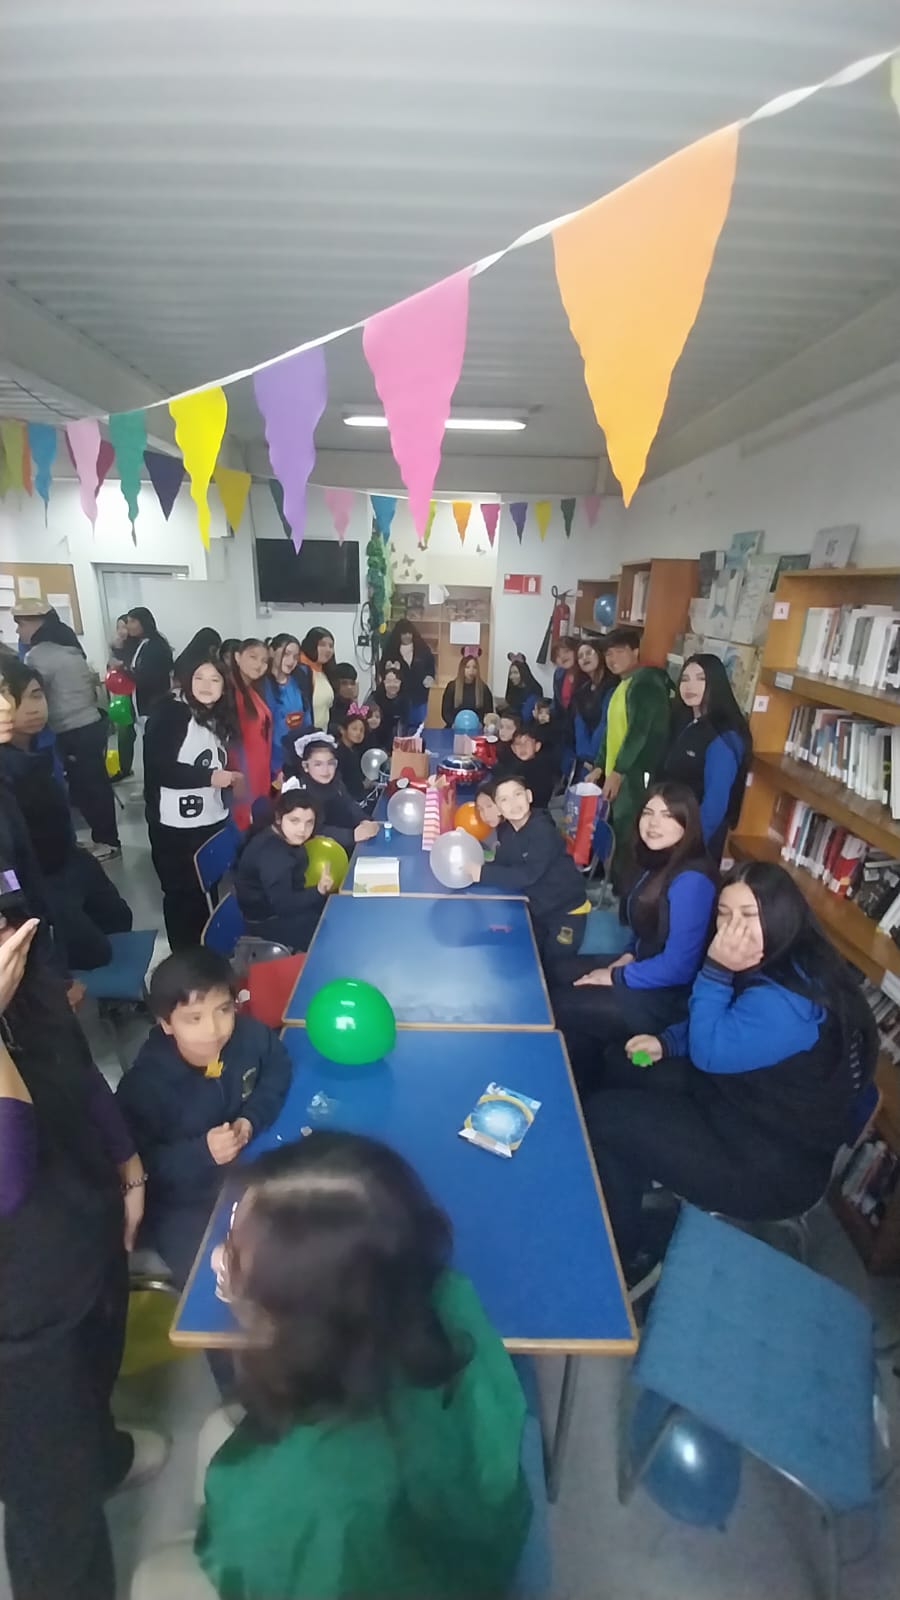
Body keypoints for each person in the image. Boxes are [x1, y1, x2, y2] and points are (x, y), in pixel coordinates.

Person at [132, 1132, 532, 1600]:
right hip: (464, 1530)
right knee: (218, 1430)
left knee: (152, 1577)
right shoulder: (444, 1293)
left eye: (237, 1253)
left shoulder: (297, 1494)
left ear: (301, 1319)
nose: (219, 1257)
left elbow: (260, 1561)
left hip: (352, 1555)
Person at [585, 861, 879, 1278]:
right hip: (742, 1101)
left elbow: (711, 1051)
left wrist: (716, 970)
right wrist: (667, 1042)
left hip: (769, 1162)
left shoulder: (788, 1002)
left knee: (602, 1118)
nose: (731, 929)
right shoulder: (783, 955)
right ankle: (630, 1180)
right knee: (624, 1064)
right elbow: (726, 1020)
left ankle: (625, 1252)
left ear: (781, 915)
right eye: (723, 914)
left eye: (748, 915)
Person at [0, 899, 165, 1600]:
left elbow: (74, 1063)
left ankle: (102, 1456)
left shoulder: (21, 972)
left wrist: (127, 1161)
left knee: (93, 1371)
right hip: (19, 1312)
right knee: (50, 1503)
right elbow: (8, 1176)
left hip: (82, 1228)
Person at [116, 948, 291, 1290]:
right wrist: (203, 1153)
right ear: (167, 1024)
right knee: (223, 1285)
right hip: (183, 1204)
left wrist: (250, 1119)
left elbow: (277, 1068)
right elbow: (138, 1169)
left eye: (223, 1010)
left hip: (249, 1168)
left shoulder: (250, 1036)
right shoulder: (144, 1088)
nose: (213, 1029)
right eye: (194, 1018)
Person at [551, 783, 717, 1086]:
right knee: (555, 972)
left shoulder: (691, 881)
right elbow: (644, 928)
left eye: (667, 816)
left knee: (560, 1004)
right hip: (641, 966)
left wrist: (616, 976)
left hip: (666, 997)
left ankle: (581, 1086)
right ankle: (585, 1065)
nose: (654, 823)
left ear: (687, 824)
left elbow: (679, 968)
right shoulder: (655, 860)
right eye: (649, 813)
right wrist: (626, 957)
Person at [0, 660, 133, 969]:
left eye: (37, 695)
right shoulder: (8, 769)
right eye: (17, 698)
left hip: (69, 860)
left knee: (119, 919)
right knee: (94, 954)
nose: (31, 708)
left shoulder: (45, 747)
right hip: (38, 881)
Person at [144, 655, 240, 949]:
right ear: (187, 680)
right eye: (199, 678)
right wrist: (211, 777)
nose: (206, 686)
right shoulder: (172, 713)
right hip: (175, 828)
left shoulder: (215, 715)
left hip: (210, 819)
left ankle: (206, 953)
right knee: (182, 898)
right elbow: (159, 768)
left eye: (215, 679)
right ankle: (186, 959)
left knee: (205, 892)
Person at [14, 598, 121, 861]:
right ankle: (106, 839)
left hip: (72, 728)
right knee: (94, 785)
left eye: (21, 625)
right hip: (89, 723)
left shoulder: (40, 654)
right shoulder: (68, 645)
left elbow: (27, 690)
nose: (18, 631)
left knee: (89, 789)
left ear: (35, 623)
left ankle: (107, 842)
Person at [468, 773, 591, 960]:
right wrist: (471, 872)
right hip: (539, 907)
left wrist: (482, 873)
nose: (513, 803)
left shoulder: (543, 831)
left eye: (517, 795)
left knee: (554, 965)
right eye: (504, 799)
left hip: (567, 912)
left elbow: (528, 875)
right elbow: (502, 863)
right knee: (531, 954)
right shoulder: (507, 831)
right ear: (499, 808)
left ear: (529, 796)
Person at [588, 628, 672, 885]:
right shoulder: (624, 684)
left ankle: (626, 893)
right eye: (608, 654)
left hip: (635, 776)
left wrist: (618, 771)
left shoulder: (646, 683)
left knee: (631, 834)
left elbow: (639, 732)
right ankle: (614, 887)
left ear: (636, 651)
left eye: (619, 652)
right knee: (617, 832)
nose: (612, 659)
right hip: (619, 773)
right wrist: (600, 766)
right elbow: (611, 732)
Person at [661, 653, 752, 860]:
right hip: (670, 827)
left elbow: (714, 804)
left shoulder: (723, 735)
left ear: (715, 683)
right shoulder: (683, 721)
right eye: (685, 679)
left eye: (700, 679)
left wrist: (688, 843)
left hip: (694, 839)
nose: (690, 686)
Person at [236, 789, 334, 952]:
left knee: (334, 909)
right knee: (330, 935)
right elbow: (284, 905)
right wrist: (318, 890)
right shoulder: (274, 855)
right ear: (279, 818)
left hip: (283, 904)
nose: (302, 830)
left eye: (309, 822)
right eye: (295, 821)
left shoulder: (282, 834)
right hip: (268, 920)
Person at [284, 734, 379, 853]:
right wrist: (351, 835)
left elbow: (349, 804)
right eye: (318, 764)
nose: (325, 770)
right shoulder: (300, 793)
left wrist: (364, 820)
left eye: (330, 763)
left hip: (351, 842)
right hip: (323, 851)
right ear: (305, 766)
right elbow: (313, 830)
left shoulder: (336, 782)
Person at [228, 638, 273, 831]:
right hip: (242, 772)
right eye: (253, 657)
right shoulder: (229, 692)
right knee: (242, 826)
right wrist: (235, 776)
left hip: (259, 770)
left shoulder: (252, 690)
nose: (259, 664)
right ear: (237, 657)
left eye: (264, 661)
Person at [261, 633, 311, 777]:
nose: (291, 661)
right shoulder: (262, 685)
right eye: (286, 654)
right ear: (271, 651)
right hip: (270, 760)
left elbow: (307, 720)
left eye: (295, 657)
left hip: (296, 757)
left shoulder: (299, 681)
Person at [571, 639, 617, 783]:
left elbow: (605, 724)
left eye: (589, 652)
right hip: (586, 758)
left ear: (600, 654)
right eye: (580, 656)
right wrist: (584, 757)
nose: (585, 658)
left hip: (606, 756)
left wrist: (594, 760)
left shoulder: (613, 685)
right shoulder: (582, 690)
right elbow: (579, 724)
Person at [387, 619, 436, 729]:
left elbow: (431, 666)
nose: (407, 636)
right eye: (404, 633)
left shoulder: (422, 648)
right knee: (400, 726)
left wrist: (429, 677)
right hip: (399, 697)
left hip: (419, 696)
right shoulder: (391, 650)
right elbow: (384, 669)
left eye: (409, 633)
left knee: (418, 726)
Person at [126, 607, 174, 718]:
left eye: (133, 621)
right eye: (128, 622)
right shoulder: (141, 643)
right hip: (141, 701)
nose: (128, 626)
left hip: (153, 702)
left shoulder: (155, 645)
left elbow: (149, 676)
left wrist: (126, 672)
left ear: (144, 622)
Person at [441, 647, 494, 727]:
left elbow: (488, 713)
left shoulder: (483, 688)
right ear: (462, 668)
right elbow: (445, 712)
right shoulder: (452, 687)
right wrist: (453, 724)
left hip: (476, 728)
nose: (471, 671)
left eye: (474, 667)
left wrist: (481, 724)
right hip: (455, 728)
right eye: (467, 667)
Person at [509, 721, 556, 809]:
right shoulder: (513, 767)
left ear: (537, 746)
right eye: (518, 744)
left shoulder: (542, 768)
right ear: (513, 749)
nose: (522, 747)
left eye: (526, 743)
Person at [298, 627, 337, 731]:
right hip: (305, 733)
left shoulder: (325, 672)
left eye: (331, 646)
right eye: (322, 645)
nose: (328, 650)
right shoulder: (300, 671)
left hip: (322, 733)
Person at [335, 706, 369, 800]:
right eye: (354, 729)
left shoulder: (354, 750)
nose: (358, 733)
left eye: (362, 730)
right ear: (342, 730)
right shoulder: (339, 753)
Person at [372, 661, 409, 746]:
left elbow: (403, 725)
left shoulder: (405, 700)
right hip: (376, 738)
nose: (392, 685)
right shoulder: (375, 698)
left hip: (396, 739)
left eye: (395, 681)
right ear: (383, 682)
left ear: (400, 683)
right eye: (388, 681)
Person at [504, 654, 542, 723]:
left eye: (515, 673)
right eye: (510, 673)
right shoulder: (513, 690)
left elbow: (526, 716)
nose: (512, 676)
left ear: (523, 673)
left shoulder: (534, 691)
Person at [551, 635, 582, 718]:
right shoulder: (558, 673)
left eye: (566, 651)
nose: (562, 657)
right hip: (563, 720)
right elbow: (556, 704)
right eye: (558, 655)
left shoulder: (585, 672)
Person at [330, 661, 360, 727]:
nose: (349, 687)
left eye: (352, 683)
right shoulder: (330, 705)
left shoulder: (351, 705)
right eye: (344, 683)